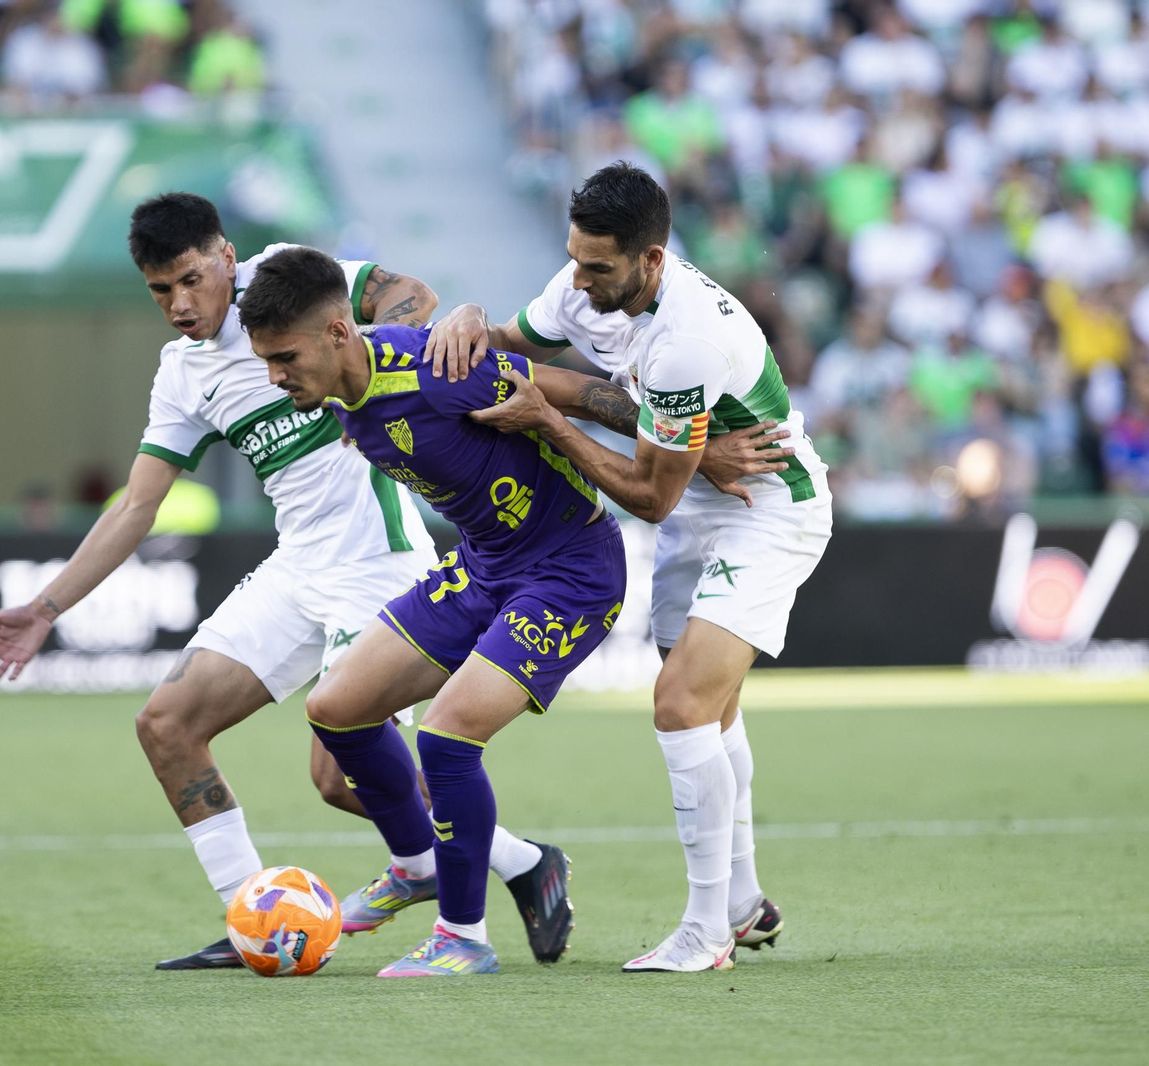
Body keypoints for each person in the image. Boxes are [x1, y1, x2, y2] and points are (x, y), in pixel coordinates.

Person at [0, 192, 577, 969]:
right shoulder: (183, 374)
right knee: (167, 726)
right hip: (298, 567)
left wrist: (407, 377)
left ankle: (470, 868)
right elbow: (138, 504)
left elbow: (410, 296)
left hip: (380, 564)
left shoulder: (289, 284)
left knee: (335, 768)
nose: (180, 305)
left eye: (191, 280)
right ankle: (261, 917)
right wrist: (47, 607)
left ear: (226, 257)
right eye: (160, 291)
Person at [238, 246, 795, 977]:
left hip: (568, 572)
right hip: (483, 566)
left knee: (443, 740)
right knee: (337, 707)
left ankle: (462, 939)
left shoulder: (432, 370)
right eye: (266, 363)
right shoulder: (342, 389)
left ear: (339, 333)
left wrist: (695, 448)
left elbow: (571, 388)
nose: (275, 379)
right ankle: (419, 863)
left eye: (285, 358)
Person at [425, 162, 832, 973]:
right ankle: (743, 901)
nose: (578, 281)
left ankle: (706, 929)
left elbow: (647, 495)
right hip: (699, 504)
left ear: (652, 260)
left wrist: (544, 419)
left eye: (597, 267)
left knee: (681, 703)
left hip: (765, 509)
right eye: (574, 259)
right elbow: (510, 339)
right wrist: (471, 314)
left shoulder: (688, 339)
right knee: (711, 710)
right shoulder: (588, 281)